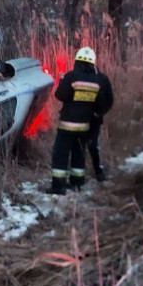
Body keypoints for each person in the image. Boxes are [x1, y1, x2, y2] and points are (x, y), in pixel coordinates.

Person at [47, 46, 113, 195]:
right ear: (93, 62)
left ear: (77, 60)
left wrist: (62, 80)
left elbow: (60, 95)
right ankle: (76, 183)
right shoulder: (99, 79)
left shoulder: (71, 76)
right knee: (79, 153)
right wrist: (96, 114)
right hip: (84, 126)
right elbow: (103, 102)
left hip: (67, 125)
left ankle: (58, 186)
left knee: (61, 153)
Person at [86, 62, 113, 181]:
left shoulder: (102, 79)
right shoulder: (78, 77)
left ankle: (98, 171)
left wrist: (100, 113)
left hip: (93, 119)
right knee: (82, 146)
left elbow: (109, 99)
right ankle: (79, 174)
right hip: (80, 118)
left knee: (92, 145)